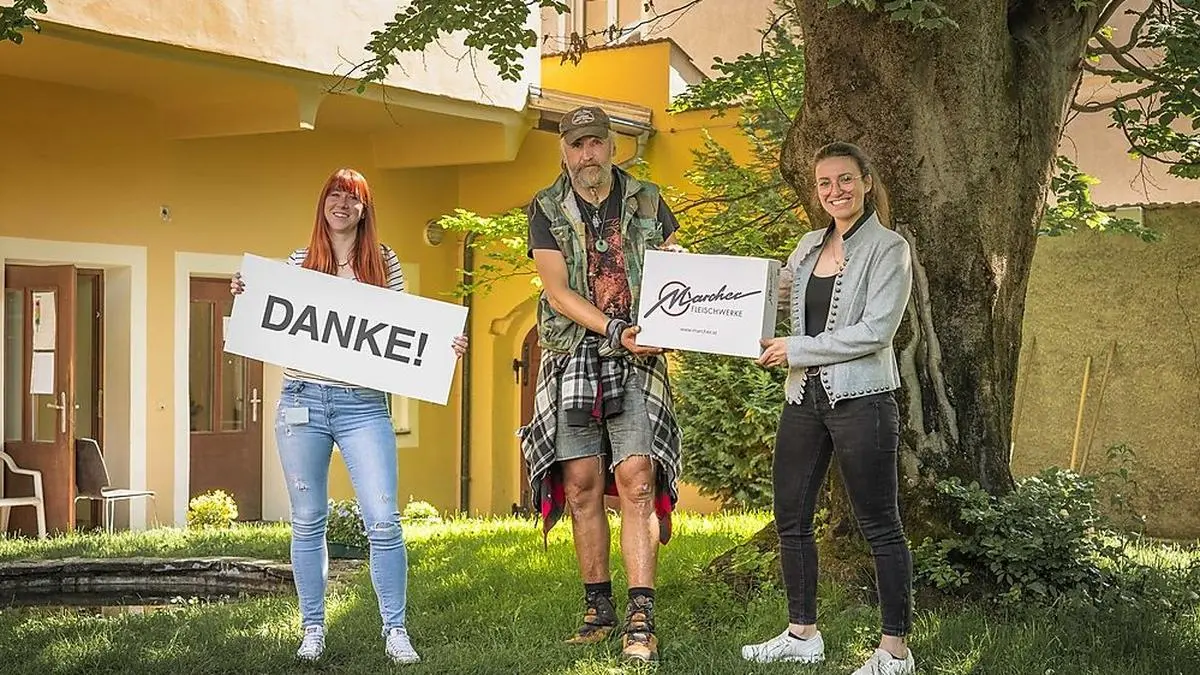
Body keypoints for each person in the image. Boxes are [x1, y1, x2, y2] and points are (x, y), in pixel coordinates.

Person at [230, 167, 467, 665]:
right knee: (307, 520)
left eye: (352, 198)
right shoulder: (299, 261)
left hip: (363, 405)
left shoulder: (383, 262)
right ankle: (312, 629)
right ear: (323, 204)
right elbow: (267, 307)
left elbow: (407, 328)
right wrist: (245, 293)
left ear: (365, 209)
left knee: (383, 519)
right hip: (302, 401)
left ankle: (395, 630)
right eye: (334, 195)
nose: (342, 204)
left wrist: (442, 348)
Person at [519, 106, 684, 663]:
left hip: (639, 354)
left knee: (637, 478)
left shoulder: (648, 199)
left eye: (597, 143)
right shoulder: (544, 207)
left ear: (613, 147)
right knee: (584, 482)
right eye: (577, 144)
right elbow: (557, 291)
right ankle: (598, 609)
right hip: (572, 354)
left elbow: (673, 267)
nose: (588, 154)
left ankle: (641, 614)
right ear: (564, 151)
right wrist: (615, 327)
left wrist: (677, 299)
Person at [745, 142, 916, 674]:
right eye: (824, 184)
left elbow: (876, 331)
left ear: (866, 182)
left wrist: (795, 348)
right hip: (804, 398)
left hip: (863, 399)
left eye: (845, 180)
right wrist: (701, 283)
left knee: (880, 523)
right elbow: (772, 297)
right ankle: (802, 633)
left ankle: (895, 651)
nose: (835, 191)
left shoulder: (890, 249)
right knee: (790, 516)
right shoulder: (806, 246)